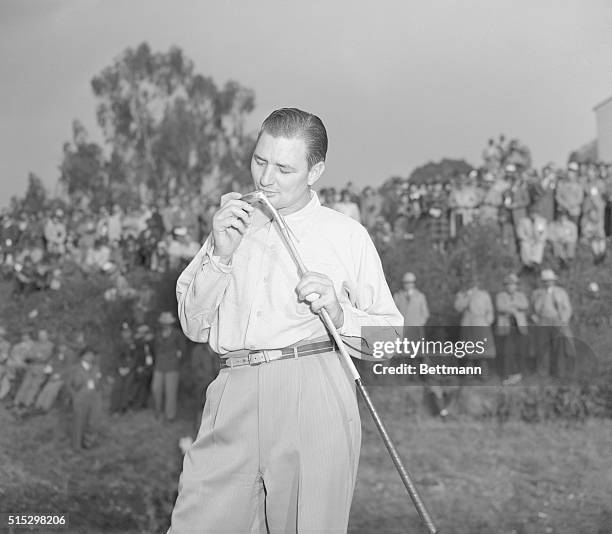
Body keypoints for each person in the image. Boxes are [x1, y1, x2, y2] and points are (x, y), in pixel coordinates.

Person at [168, 108, 403, 533]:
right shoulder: (231, 224)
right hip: (232, 392)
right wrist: (219, 255)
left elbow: (390, 342)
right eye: (260, 161)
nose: (266, 179)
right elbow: (193, 324)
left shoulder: (346, 236)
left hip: (314, 393)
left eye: (283, 168)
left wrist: (338, 312)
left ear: (316, 170)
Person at [531, 269, 574, 378]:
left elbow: (567, 308)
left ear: (554, 281)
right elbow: (533, 309)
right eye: (545, 281)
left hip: (557, 321)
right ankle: (543, 373)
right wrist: (535, 318)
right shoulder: (537, 293)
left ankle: (559, 372)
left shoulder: (561, 292)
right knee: (543, 347)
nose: (547, 283)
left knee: (558, 347)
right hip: (543, 321)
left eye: (549, 281)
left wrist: (563, 320)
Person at [454, 277, 496, 375]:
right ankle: (469, 375)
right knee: (468, 353)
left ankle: (483, 374)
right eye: (470, 282)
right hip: (468, 325)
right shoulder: (462, 295)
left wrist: (488, 321)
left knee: (483, 353)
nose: (472, 284)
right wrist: (467, 297)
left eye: (474, 282)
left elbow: (489, 310)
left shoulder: (484, 295)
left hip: (481, 324)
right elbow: (458, 308)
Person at [495, 274, 529, 383]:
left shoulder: (521, 295)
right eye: (508, 285)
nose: (511, 287)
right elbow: (500, 307)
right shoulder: (500, 295)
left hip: (519, 327)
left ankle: (518, 373)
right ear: (505, 286)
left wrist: (512, 304)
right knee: (506, 350)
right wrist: (513, 309)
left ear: (516, 286)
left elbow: (525, 305)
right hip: (506, 327)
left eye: (513, 285)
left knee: (520, 350)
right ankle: (507, 374)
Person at [68, 347, 103, 450]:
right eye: (88, 354)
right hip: (81, 397)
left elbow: (99, 382)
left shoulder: (96, 368)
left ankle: (89, 443)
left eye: (92, 355)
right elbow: (69, 385)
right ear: (82, 356)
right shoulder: (75, 369)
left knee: (93, 421)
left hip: (95, 397)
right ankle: (77, 446)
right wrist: (74, 397)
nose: (90, 357)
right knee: (79, 422)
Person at [152, 312, 184, 422]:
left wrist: (177, 358)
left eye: (167, 323)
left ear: (171, 323)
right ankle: (158, 411)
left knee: (171, 391)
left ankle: (170, 415)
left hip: (172, 366)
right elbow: (155, 349)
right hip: (159, 365)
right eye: (163, 323)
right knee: (156, 389)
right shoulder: (158, 334)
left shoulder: (177, 334)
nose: (165, 325)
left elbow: (182, 349)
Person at [393, 272, 429, 344]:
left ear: (414, 283)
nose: (408, 284)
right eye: (406, 282)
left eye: (410, 282)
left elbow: (425, 313)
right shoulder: (397, 296)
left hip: (416, 330)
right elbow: (393, 313)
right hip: (402, 330)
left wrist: (418, 324)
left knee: (416, 352)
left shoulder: (420, 296)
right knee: (402, 352)